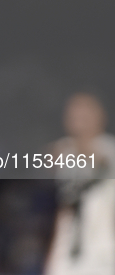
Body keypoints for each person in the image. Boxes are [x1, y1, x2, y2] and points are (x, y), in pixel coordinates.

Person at [44, 92, 115, 275]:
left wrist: (73, 146)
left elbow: (99, 159)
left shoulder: (108, 147)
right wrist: (52, 257)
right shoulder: (65, 152)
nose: (78, 121)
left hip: (103, 252)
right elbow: (65, 207)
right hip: (67, 253)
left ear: (100, 117)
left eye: (84, 116)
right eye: (74, 116)